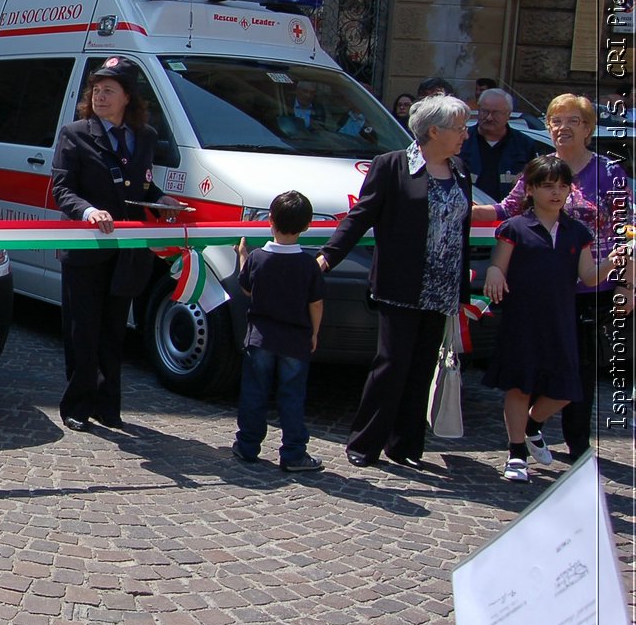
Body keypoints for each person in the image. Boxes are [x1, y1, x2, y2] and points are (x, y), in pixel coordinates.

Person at [318, 94, 474, 469]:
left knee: (422, 369)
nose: (464, 135)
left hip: (442, 288)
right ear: (434, 131)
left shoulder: (461, 170)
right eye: (458, 128)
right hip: (401, 284)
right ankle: (365, 442)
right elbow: (361, 215)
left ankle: (404, 444)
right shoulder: (393, 166)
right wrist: (328, 256)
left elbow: (462, 228)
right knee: (391, 366)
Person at [474, 94, 631, 462]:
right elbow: (505, 210)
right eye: (556, 120)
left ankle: (576, 443)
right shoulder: (540, 168)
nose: (563, 128)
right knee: (535, 363)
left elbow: (629, 231)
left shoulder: (609, 173)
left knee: (578, 370)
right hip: (540, 290)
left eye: (573, 121)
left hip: (594, 287)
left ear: (589, 129)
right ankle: (529, 431)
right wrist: (457, 208)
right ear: (547, 127)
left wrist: (628, 283)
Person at [50, 57, 182, 433]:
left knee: (113, 329)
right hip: (86, 248)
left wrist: (163, 200)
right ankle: (77, 404)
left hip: (126, 250)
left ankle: (109, 405)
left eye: (109, 90)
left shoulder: (145, 137)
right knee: (83, 328)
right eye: (96, 89)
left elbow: (140, 184)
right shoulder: (75, 134)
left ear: (128, 97)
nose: (100, 95)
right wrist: (88, 211)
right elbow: (62, 188)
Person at [482, 156, 621, 482]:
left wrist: (614, 261)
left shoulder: (578, 232)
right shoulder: (515, 227)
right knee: (519, 386)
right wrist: (493, 273)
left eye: (562, 186)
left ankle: (532, 426)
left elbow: (588, 277)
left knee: (566, 388)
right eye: (548, 186)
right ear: (530, 189)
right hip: (523, 321)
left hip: (561, 320)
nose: (556, 192)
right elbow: (498, 264)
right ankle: (516, 453)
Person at [232, 191, 326, 473]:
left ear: (269, 220)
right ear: (307, 225)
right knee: (292, 396)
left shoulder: (258, 258)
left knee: (254, 393)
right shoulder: (309, 264)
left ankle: (247, 446)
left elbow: (247, 288)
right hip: (295, 339)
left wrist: (242, 256)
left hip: (260, 337)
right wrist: (315, 333)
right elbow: (316, 303)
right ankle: (294, 453)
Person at [459, 87, 545, 200]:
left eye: (496, 113)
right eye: (485, 111)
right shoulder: (461, 140)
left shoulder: (524, 144)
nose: (489, 118)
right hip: (470, 211)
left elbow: (534, 184)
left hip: (508, 213)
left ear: (508, 114)